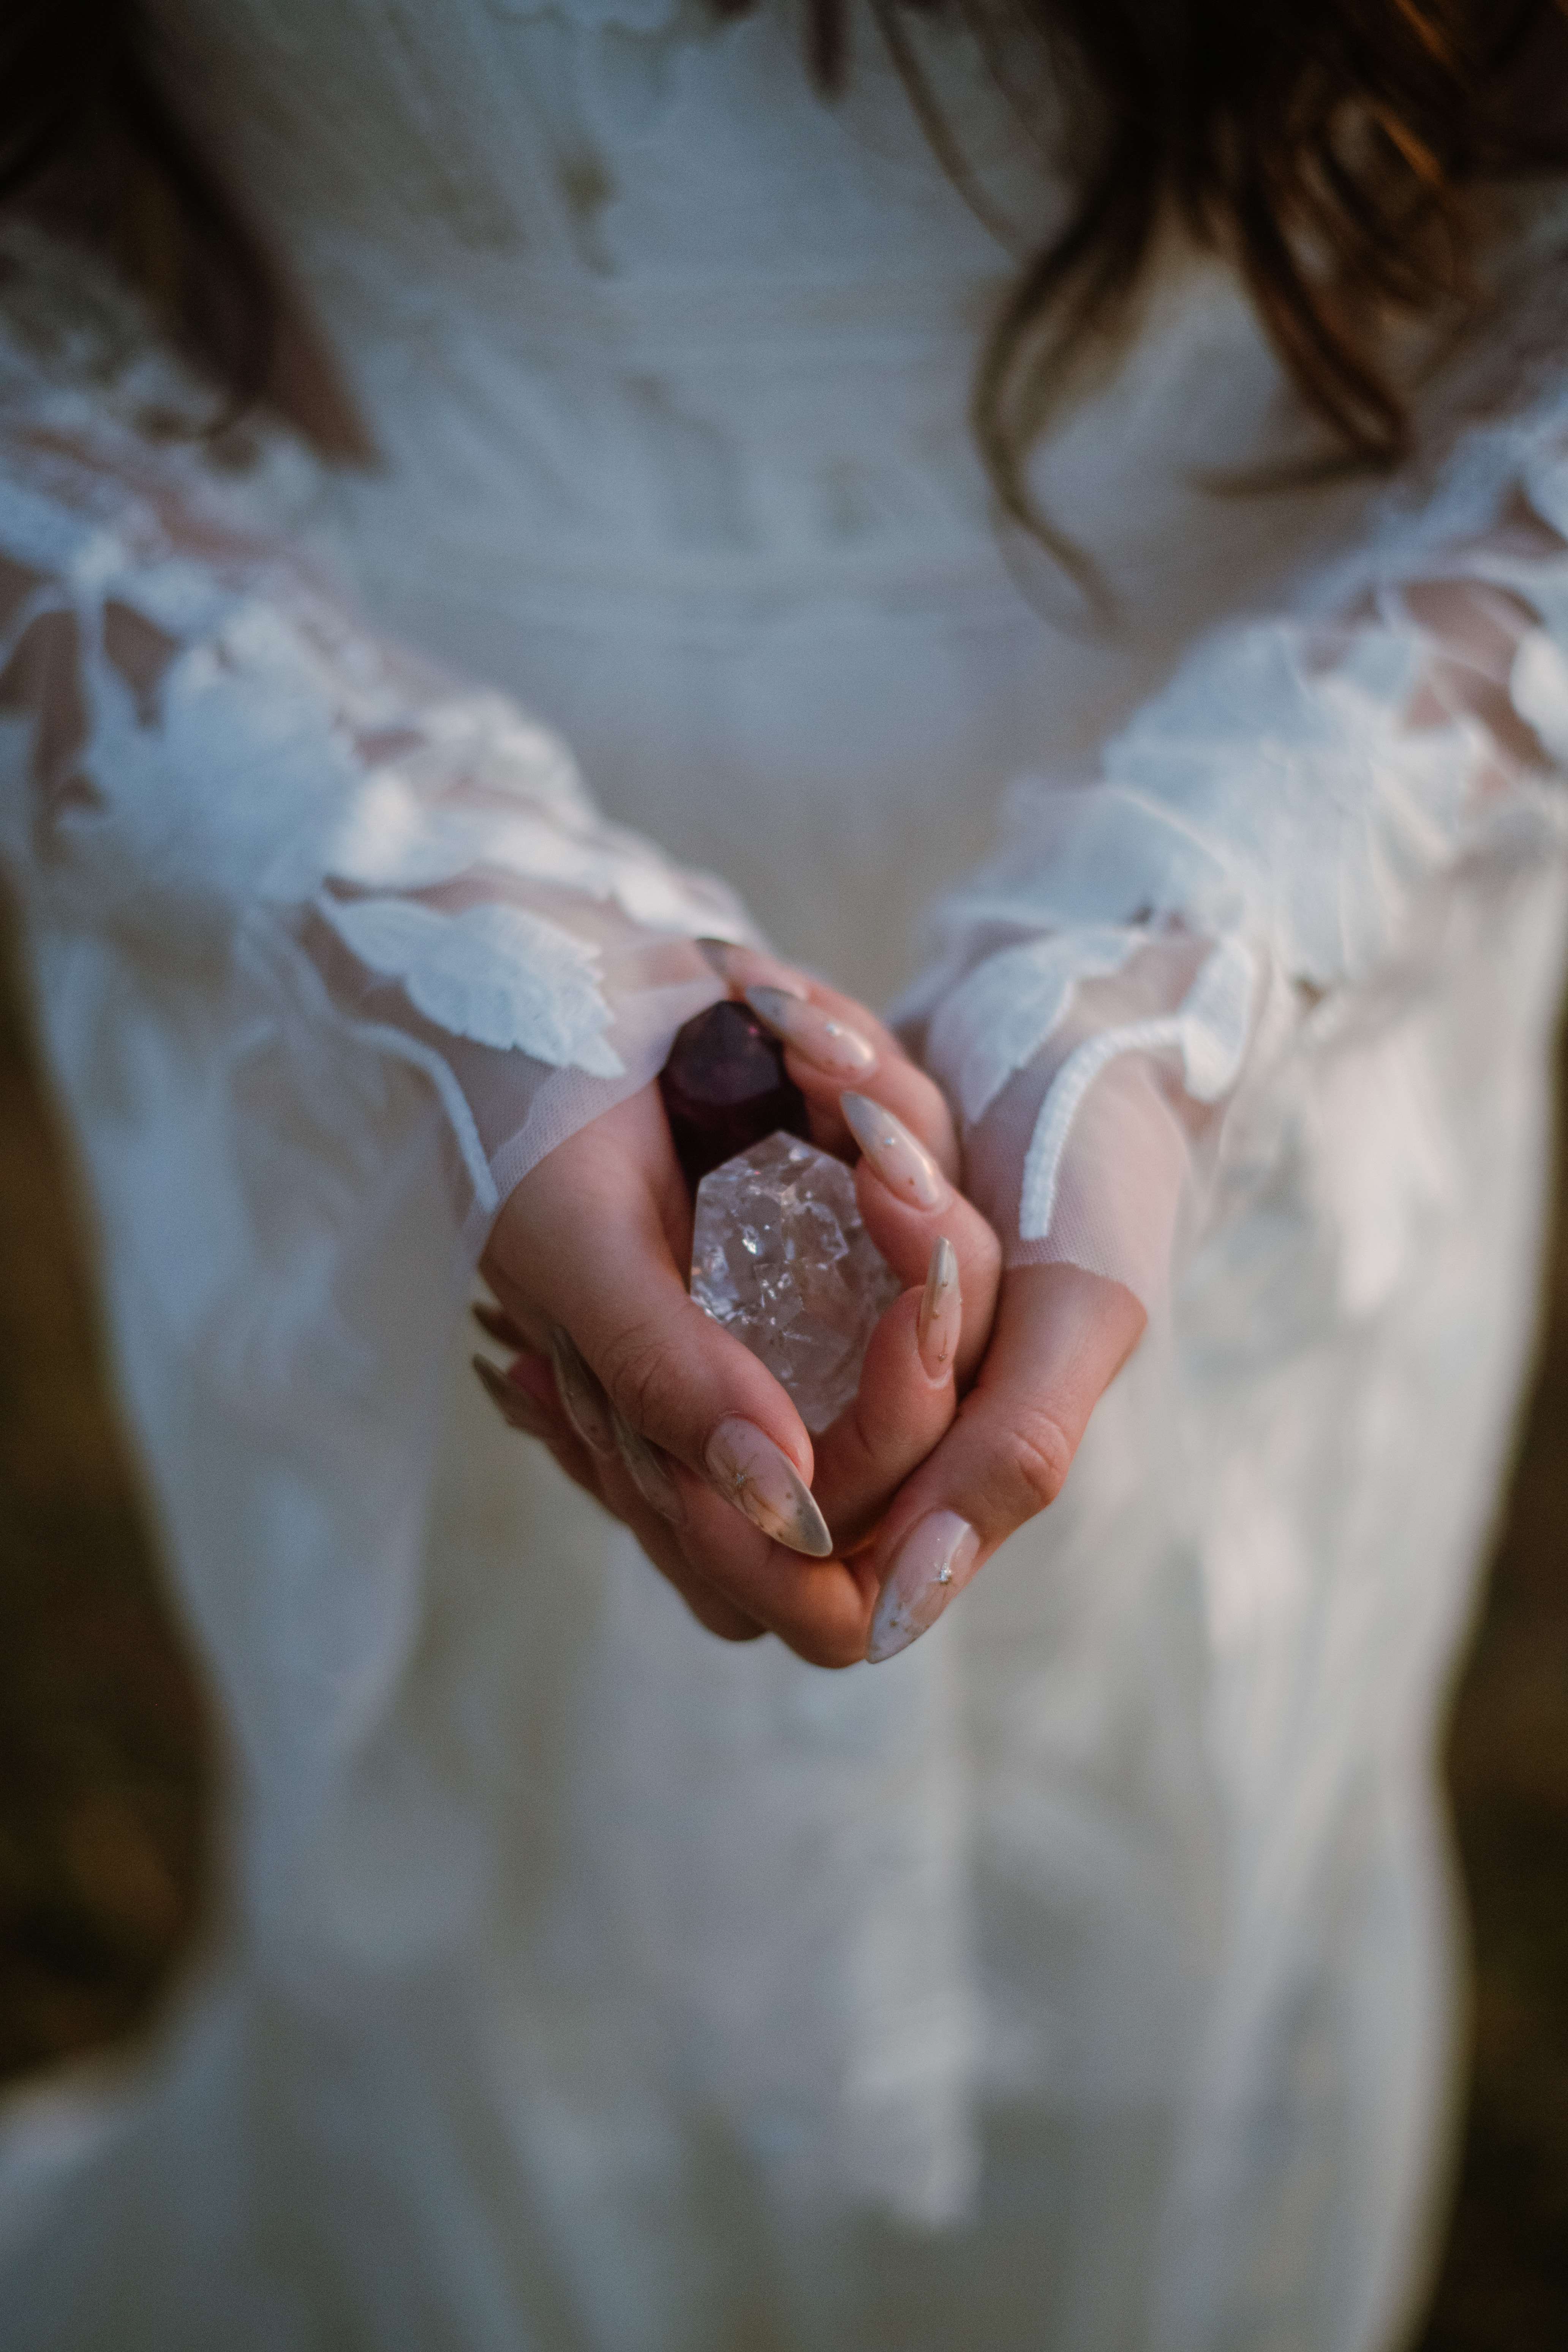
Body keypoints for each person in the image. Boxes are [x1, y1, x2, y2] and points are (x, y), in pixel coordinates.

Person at [0, 0, 1566, 2343]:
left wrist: (1209, 939)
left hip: (1283, 782)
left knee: (1176, 1911)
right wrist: (420, 917)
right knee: (496, 1930)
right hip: (399, 794)